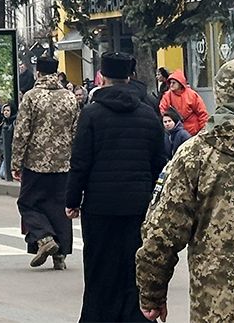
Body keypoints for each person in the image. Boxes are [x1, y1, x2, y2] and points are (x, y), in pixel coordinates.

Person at [136, 58, 234, 322]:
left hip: (215, 302)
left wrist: (152, 293)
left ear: (219, 96)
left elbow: (162, 231)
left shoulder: (195, 153)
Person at [65, 52, 165, 322]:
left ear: (103, 77)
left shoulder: (91, 114)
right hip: (139, 207)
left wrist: (72, 199)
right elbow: (160, 163)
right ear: (129, 76)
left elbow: (80, 162)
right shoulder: (148, 114)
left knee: (100, 267)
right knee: (135, 266)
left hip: (100, 207)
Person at [10, 56, 80, 271]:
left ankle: (44, 237)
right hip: (64, 163)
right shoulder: (70, 98)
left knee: (28, 203)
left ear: (38, 72)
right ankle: (60, 255)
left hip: (35, 162)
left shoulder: (31, 97)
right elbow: (76, 131)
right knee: (60, 207)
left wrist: (16, 162)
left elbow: (21, 132)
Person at [158, 70, 208, 136]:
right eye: (170, 83)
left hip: (193, 131)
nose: (171, 85)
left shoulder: (192, 95)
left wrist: (203, 129)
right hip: (175, 131)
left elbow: (202, 113)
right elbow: (163, 109)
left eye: (173, 83)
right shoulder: (167, 95)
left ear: (180, 83)